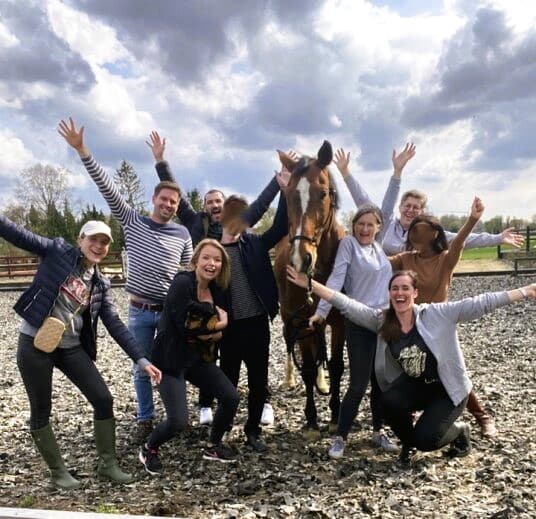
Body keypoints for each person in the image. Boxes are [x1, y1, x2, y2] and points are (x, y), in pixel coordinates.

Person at [287, 266, 536, 466]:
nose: (400, 293)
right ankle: (408, 443)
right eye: (395, 288)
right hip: (418, 386)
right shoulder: (382, 320)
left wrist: (526, 290)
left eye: (405, 288)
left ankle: (460, 431)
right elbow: (347, 304)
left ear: (415, 292)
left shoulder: (438, 314)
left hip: (447, 389)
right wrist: (311, 284)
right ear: (390, 294)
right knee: (388, 401)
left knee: (427, 441)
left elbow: (482, 302)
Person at [0, 215, 162, 489]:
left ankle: (107, 464)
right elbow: (17, 234)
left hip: (71, 347)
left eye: (104, 242)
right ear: (80, 240)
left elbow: (115, 324)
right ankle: (58, 472)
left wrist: (141, 359)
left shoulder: (100, 284)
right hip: (35, 344)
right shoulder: (56, 252)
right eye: (93, 239)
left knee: (103, 399)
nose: (98, 246)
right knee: (41, 408)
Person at [58, 118, 193, 444]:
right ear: (153, 199)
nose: (168, 205)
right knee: (142, 366)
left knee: (174, 365)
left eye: (174, 202)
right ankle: (145, 419)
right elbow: (107, 187)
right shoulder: (132, 221)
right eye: (164, 199)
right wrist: (82, 150)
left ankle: (175, 417)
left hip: (170, 312)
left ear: (177, 207)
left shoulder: (183, 234)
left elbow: (188, 274)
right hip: (140, 311)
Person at [146, 131, 288, 427]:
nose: (215, 205)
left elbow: (267, 214)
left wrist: (280, 185)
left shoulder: (250, 240)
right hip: (221, 315)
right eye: (209, 201)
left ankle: (255, 415)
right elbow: (177, 199)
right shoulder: (200, 230)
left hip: (251, 318)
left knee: (254, 371)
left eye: (219, 202)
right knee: (217, 365)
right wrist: (160, 162)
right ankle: (211, 411)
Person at [309, 144, 416, 458]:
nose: (365, 229)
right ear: (354, 225)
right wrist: (321, 311)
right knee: (357, 384)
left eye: (371, 224)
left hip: (387, 322)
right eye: (360, 224)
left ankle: (378, 431)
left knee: (382, 382)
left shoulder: (378, 246)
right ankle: (340, 437)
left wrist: (397, 172)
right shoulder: (349, 246)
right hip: (359, 323)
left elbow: (386, 204)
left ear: (379, 227)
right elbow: (336, 280)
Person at [389, 198, 498, 436]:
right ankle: (413, 412)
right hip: (411, 324)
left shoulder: (445, 259)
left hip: (439, 325)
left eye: (418, 233)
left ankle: (482, 416)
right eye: (412, 233)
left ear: (433, 235)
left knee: (450, 372)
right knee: (412, 368)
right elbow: (377, 264)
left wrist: (472, 220)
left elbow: (458, 243)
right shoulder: (405, 259)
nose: (413, 237)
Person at [139, 239, 240, 473]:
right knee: (178, 421)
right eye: (206, 257)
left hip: (197, 358)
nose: (212, 263)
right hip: (170, 359)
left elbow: (220, 326)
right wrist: (219, 325)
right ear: (195, 261)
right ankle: (149, 448)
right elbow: (185, 326)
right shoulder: (182, 283)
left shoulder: (217, 289)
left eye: (217, 260)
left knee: (230, 398)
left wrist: (217, 329)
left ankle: (213, 445)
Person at [332, 147, 524, 256]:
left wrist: (498, 238)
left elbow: (461, 238)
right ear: (400, 207)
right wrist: (346, 173)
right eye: (407, 206)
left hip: (412, 290)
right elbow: (365, 202)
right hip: (382, 287)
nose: (410, 210)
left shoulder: (427, 232)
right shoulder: (385, 224)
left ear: (422, 212)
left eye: (416, 208)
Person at [216, 189, 288, 452]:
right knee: (228, 382)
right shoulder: (214, 251)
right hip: (229, 328)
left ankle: (253, 430)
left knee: (259, 382)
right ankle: (223, 428)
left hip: (257, 324)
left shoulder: (255, 244)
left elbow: (280, 226)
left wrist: (284, 191)